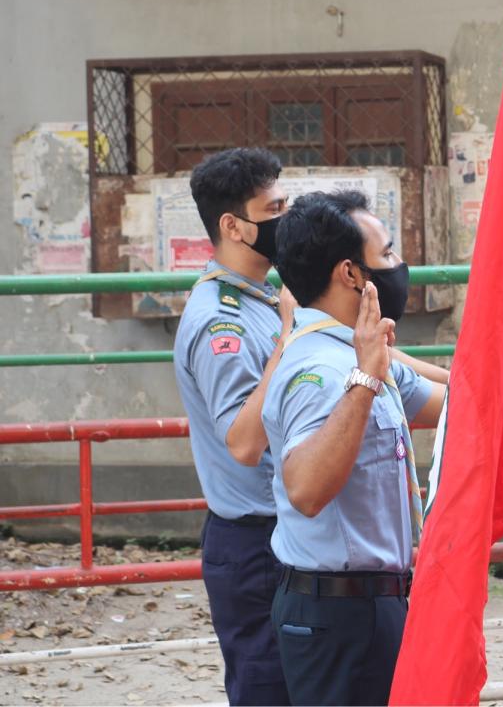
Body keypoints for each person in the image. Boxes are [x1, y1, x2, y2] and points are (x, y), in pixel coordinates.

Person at [263, 190, 503, 705]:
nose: (397, 266)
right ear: (350, 274)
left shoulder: (359, 351)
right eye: (386, 254)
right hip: (336, 614)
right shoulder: (321, 368)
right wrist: (365, 378)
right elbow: (305, 489)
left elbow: (470, 412)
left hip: (377, 604)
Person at [172, 148, 292, 706]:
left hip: (281, 531)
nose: (285, 218)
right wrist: (288, 341)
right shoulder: (222, 320)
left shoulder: (264, 298)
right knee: (268, 688)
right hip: (255, 542)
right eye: (274, 208)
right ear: (234, 226)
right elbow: (244, 442)